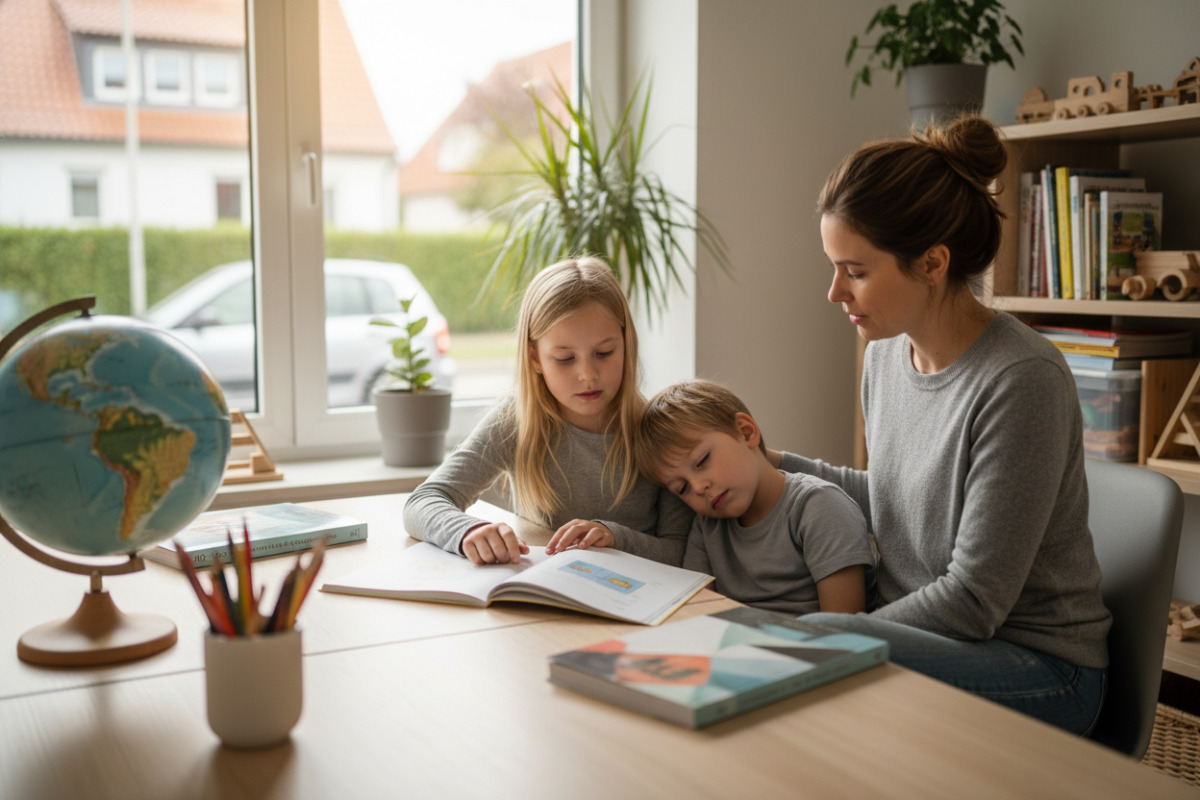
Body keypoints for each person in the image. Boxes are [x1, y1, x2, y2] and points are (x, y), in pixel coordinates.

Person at [773, 116, 1112, 736]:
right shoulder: (883, 355)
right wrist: (771, 465)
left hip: (1040, 666)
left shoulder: (1021, 379)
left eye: (855, 271)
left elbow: (975, 602)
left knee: (813, 645)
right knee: (778, 622)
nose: (833, 293)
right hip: (935, 635)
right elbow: (896, 499)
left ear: (932, 263)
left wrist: (853, 626)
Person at [402, 256, 692, 566]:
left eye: (604, 353)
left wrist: (614, 537)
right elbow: (422, 502)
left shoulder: (658, 431)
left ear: (627, 342)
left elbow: (680, 553)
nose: (588, 374)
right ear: (535, 358)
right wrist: (467, 530)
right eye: (565, 358)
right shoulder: (516, 420)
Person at [638, 379, 873, 615]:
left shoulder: (820, 507)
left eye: (701, 461)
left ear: (746, 432)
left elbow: (845, 629)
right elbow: (699, 615)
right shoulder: (706, 528)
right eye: (682, 488)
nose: (698, 487)